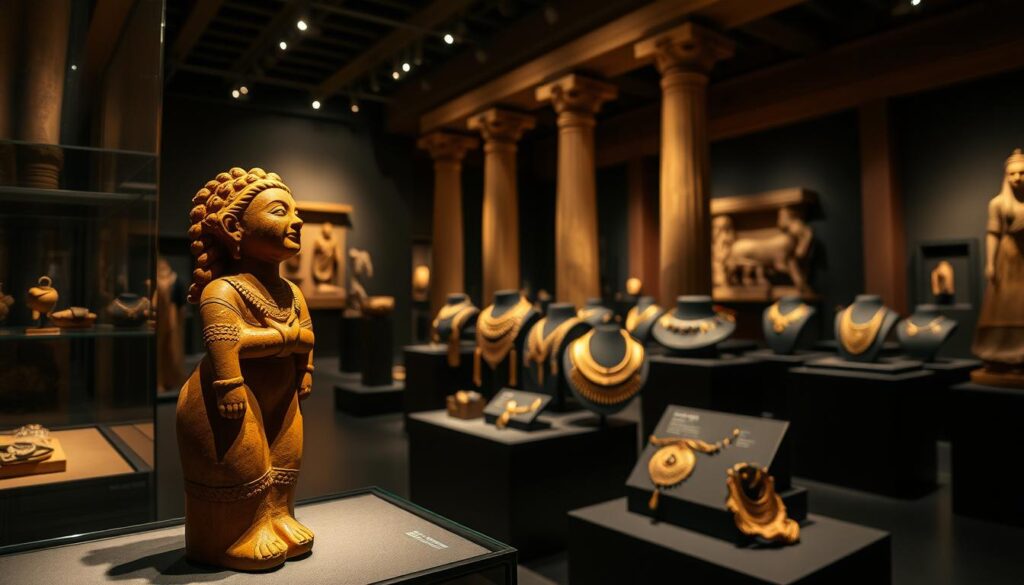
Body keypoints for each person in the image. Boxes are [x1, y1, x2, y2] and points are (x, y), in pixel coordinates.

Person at [177, 167, 315, 570]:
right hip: (228, 396)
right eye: (279, 211)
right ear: (234, 226)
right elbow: (225, 342)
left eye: (295, 211)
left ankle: (278, 517)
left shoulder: (291, 291)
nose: (297, 220)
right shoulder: (223, 290)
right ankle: (237, 533)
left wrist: (304, 369)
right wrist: (232, 381)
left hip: (282, 391)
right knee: (245, 460)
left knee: (286, 456)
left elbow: (307, 337)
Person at [972, 149, 1024, 385]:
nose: (1017, 178)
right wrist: (990, 263)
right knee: (1001, 308)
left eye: (1022, 173)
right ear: (1006, 176)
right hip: (1006, 260)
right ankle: (998, 356)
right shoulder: (998, 204)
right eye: (1012, 173)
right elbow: (992, 234)